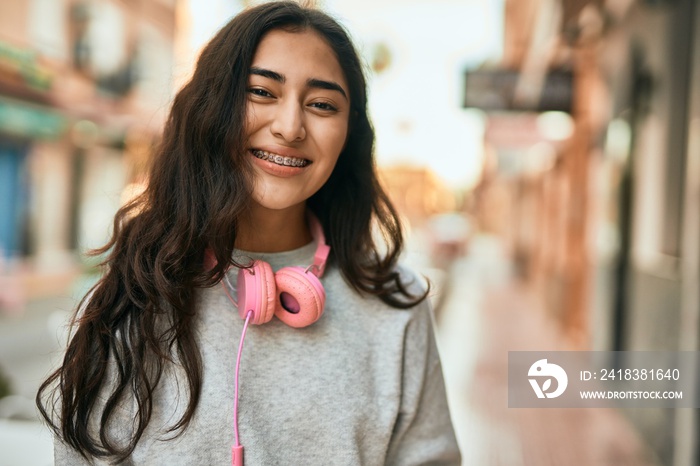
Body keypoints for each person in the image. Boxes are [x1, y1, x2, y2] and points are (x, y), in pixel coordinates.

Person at [37, 2, 461, 464]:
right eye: (261, 91)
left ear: (349, 134)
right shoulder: (130, 298)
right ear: (211, 107)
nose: (290, 127)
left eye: (322, 104)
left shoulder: (396, 306)